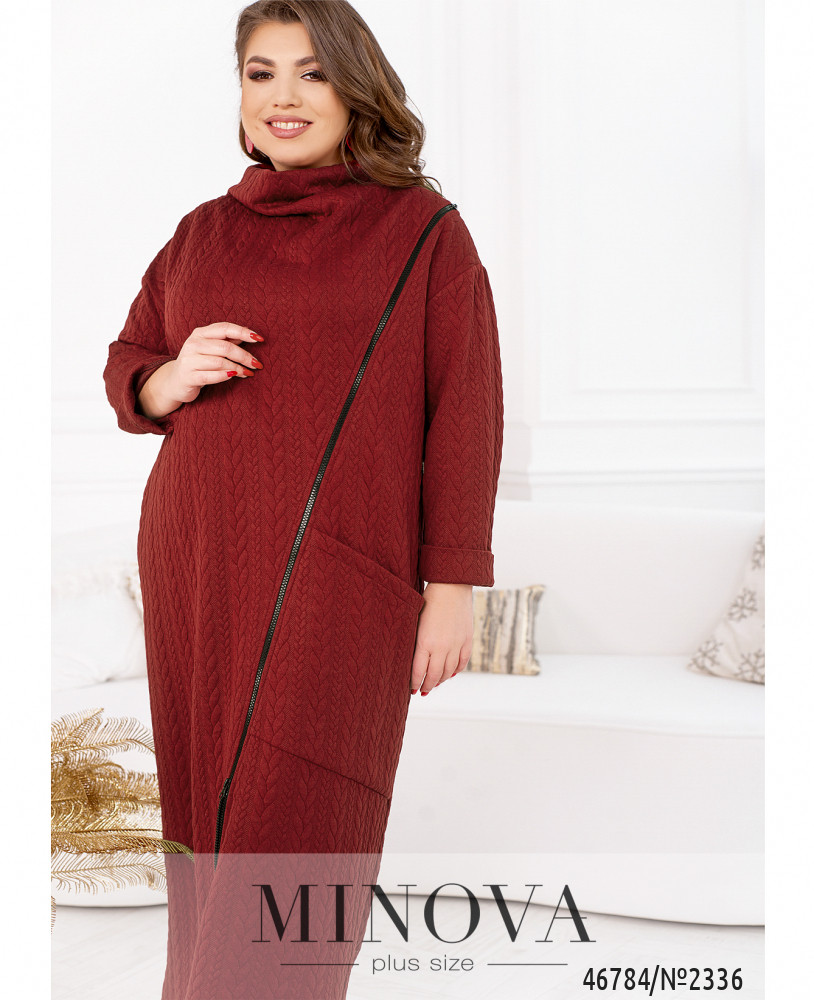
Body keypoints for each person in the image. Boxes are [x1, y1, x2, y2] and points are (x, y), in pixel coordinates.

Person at [103, 1, 503, 996]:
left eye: (312, 72)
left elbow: (465, 411)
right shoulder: (201, 233)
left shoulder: (425, 234)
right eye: (261, 72)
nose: (283, 96)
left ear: (355, 87)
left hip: (344, 574)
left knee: (305, 816)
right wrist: (169, 375)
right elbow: (129, 361)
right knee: (207, 811)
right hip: (198, 558)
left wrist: (451, 587)